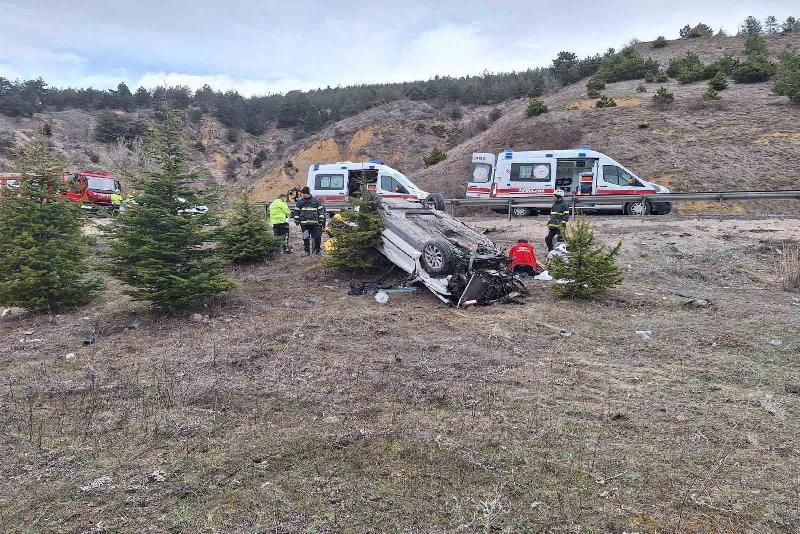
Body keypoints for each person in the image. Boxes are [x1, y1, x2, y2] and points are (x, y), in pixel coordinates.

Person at [293, 186, 326, 255]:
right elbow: (296, 212)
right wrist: (296, 220)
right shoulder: (300, 202)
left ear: (307, 193)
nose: (302, 195)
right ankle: (307, 251)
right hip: (304, 224)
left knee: (316, 237)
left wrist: (321, 221)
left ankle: (316, 251)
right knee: (305, 238)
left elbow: (321, 212)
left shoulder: (316, 201)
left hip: (315, 224)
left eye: (303, 193)